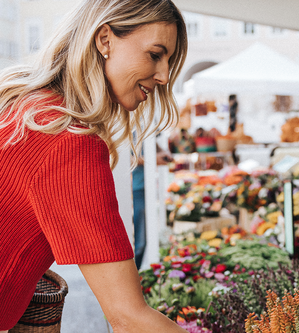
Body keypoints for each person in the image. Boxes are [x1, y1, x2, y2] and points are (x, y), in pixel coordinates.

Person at [0, 0, 189, 332]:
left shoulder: (24, 104)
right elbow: (128, 317)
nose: (163, 75)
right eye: (155, 54)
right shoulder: (68, 140)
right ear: (105, 40)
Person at [132, 142, 173, 270]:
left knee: (144, 239)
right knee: (139, 241)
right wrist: (152, 159)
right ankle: (133, 276)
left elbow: (153, 145)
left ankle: (136, 275)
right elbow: (120, 160)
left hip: (145, 188)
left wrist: (163, 152)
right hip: (133, 189)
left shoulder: (143, 127)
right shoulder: (122, 128)